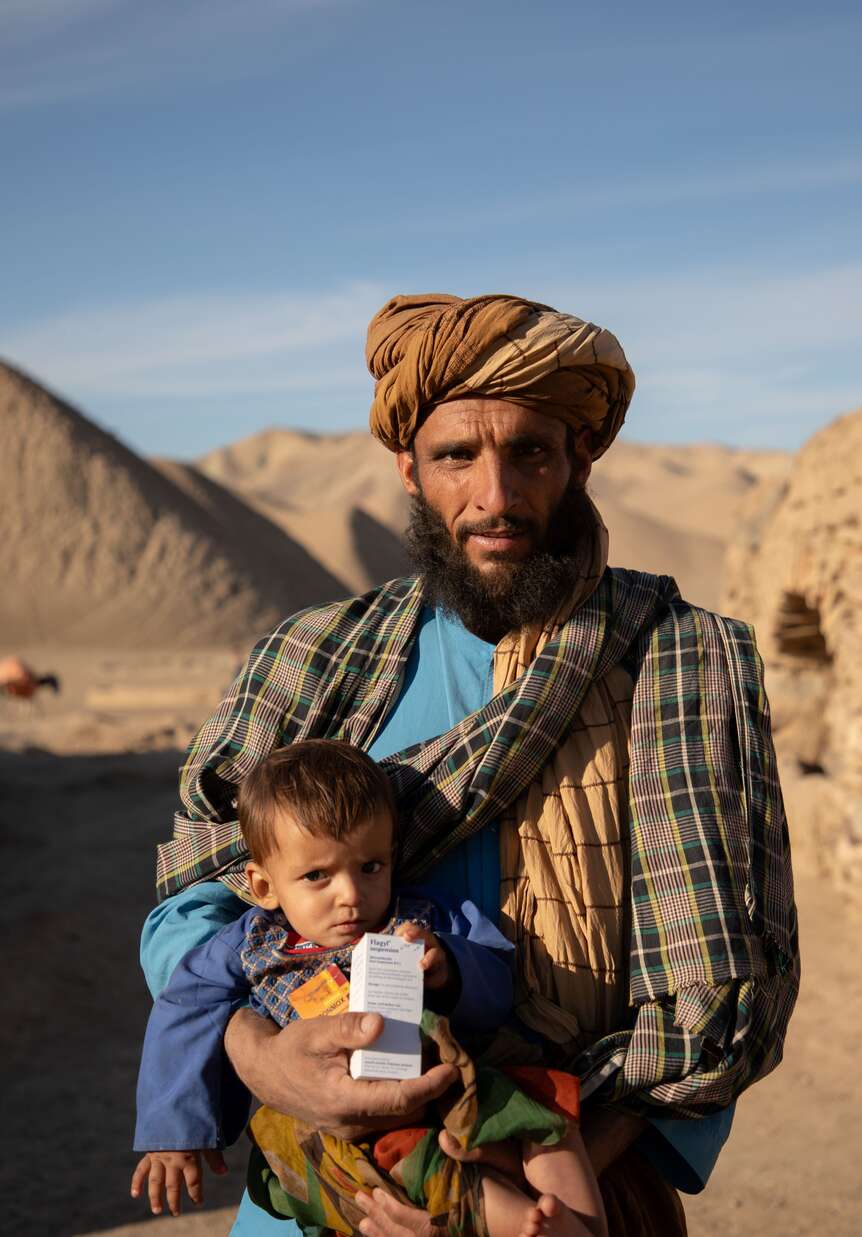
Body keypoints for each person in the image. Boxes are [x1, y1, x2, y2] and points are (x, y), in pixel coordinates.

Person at [144, 293, 799, 1236]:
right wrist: (260, 1058)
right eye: (457, 456)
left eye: (531, 451)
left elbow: (729, 985)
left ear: (579, 460)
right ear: (409, 469)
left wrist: (500, 1196)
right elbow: (190, 908)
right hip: (328, 1188)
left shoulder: (685, 662)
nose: (496, 496)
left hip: (575, 1187)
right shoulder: (312, 658)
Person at [132, 739, 608, 1237]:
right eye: (317, 875)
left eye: (370, 867)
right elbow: (186, 1005)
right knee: (413, 1166)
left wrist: (449, 966)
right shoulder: (252, 943)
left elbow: (498, 978)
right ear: (264, 885)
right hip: (352, 1122)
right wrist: (174, 1132)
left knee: (547, 1120)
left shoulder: (422, 917)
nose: (352, 896)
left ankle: (582, 1225)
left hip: (456, 1079)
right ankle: (516, 1221)